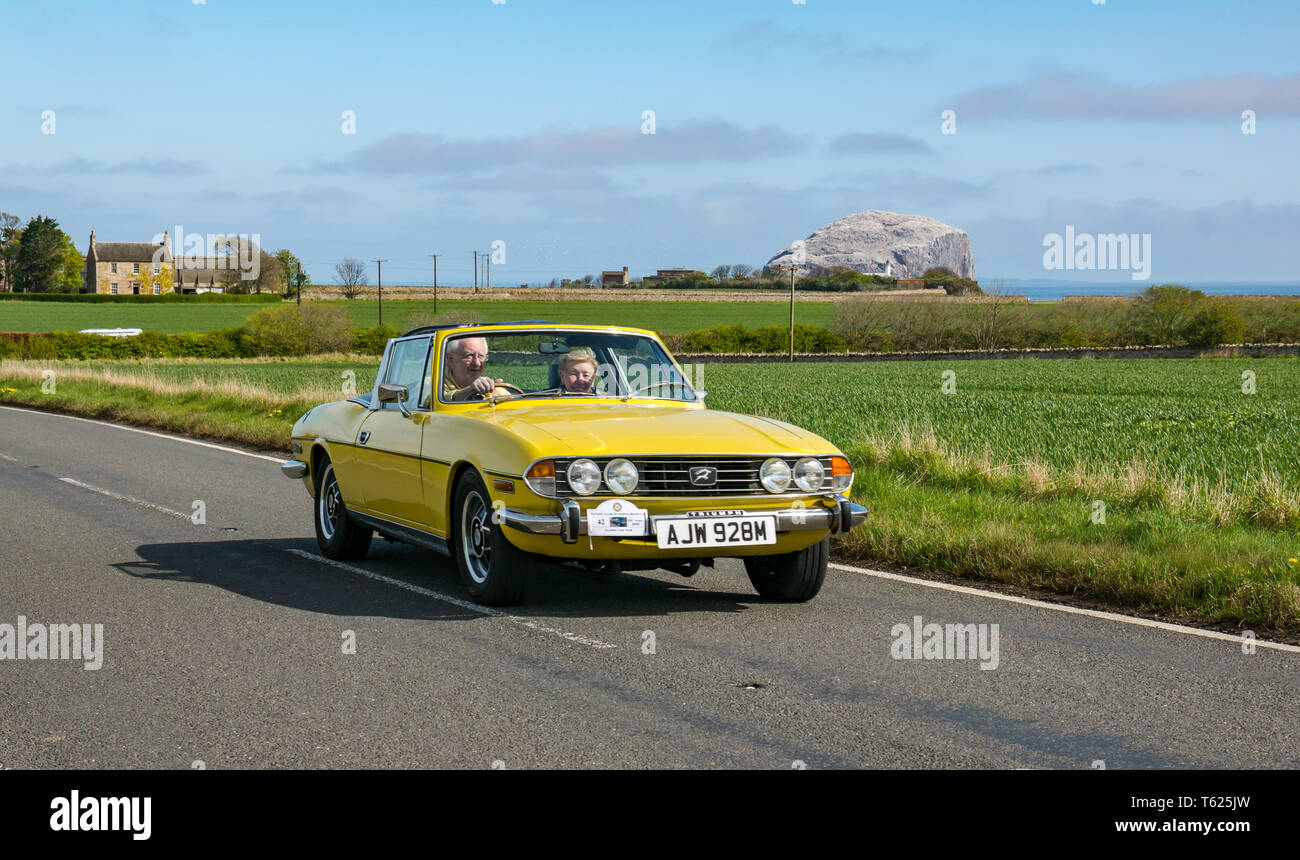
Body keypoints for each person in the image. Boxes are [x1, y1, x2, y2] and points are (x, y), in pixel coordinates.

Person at [442, 336, 510, 401]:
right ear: (451, 359)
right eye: (469, 355)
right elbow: (444, 401)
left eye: (480, 356)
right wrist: (471, 390)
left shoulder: (496, 392)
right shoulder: (435, 385)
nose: (477, 363)